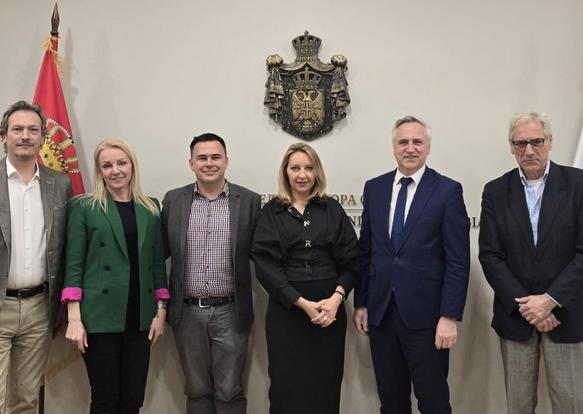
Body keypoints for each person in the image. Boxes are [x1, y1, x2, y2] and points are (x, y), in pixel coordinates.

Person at [353, 116, 470, 414]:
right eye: (403, 142)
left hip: (427, 318)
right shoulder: (375, 188)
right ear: (394, 146)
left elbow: (458, 260)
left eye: (417, 142)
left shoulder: (447, 191)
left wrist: (449, 315)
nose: (410, 148)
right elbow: (367, 250)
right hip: (381, 314)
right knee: (391, 403)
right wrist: (362, 303)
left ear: (428, 147)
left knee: (433, 403)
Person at [478, 112, 583, 414]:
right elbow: (490, 255)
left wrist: (549, 301)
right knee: (519, 407)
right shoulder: (496, 191)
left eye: (536, 142)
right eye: (520, 143)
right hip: (517, 318)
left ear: (550, 142)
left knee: (571, 406)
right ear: (511, 147)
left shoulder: (578, 184)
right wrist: (530, 307)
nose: (528, 150)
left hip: (567, 315)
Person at [62, 139, 169, 414]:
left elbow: (157, 264)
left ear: (132, 166)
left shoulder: (151, 207)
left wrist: (160, 312)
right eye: (107, 165)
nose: (116, 170)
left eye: (121, 163)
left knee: (133, 399)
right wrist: (74, 318)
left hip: (140, 316)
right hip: (99, 317)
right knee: (106, 400)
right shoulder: (85, 207)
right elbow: (74, 264)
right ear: (99, 171)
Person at [252, 142, 358, 414]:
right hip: (287, 312)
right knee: (286, 388)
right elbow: (265, 264)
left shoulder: (332, 209)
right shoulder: (271, 211)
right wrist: (301, 303)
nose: (302, 175)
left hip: (329, 313)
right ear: (285, 172)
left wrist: (336, 299)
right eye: (295, 168)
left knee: (325, 386)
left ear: (317, 172)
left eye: (309, 168)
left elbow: (353, 260)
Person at [162, 133, 260, 414]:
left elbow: (263, 254)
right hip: (187, 312)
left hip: (231, 311)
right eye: (202, 158)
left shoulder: (249, 201)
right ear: (191, 163)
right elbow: (159, 254)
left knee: (229, 390)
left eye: (215, 157)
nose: (209, 163)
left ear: (226, 161)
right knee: (196, 390)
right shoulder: (174, 200)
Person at [0, 100, 71, 413]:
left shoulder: (60, 184)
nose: (25, 136)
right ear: (4, 135)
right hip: (0, 304)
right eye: (17, 129)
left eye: (33, 130)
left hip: (39, 308)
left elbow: (65, 245)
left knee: (27, 400)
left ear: (43, 137)